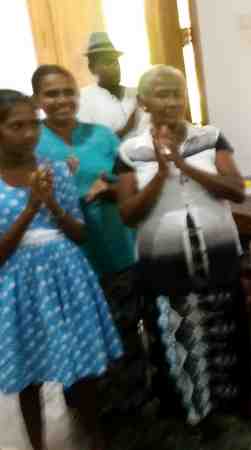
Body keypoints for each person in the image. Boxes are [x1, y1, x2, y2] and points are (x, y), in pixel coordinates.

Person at [115, 65, 251, 425]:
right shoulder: (130, 150)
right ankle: (193, 411)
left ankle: (240, 404)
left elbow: (237, 190)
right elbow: (128, 214)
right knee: (176, 332)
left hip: (218, 252)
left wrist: (183, 164)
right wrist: (161, 175)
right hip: (162, 261)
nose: (170, 101)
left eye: (176, 93)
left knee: (228, 329)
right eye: (161, 94)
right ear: (144, 102)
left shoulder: (210, 138)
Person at [0, 89, 122, 450]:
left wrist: (51, 202)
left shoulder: (54, 170)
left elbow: (80, 234)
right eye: (16, 126)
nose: (28, 134)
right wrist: (29, 209)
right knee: (29, 374)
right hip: (17, 285)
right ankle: (37, 444)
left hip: (67, 276)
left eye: (33, 124)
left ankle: (94, 437)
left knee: (84, 368)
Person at [30, 64, 144, 414]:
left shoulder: (102, 136)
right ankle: (91, 406)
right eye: (52, 94)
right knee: (81, 333)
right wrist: (76, 196)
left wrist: (109, 188)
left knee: (126, 325)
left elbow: (130, 180)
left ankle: (135, 396)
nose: (62, 100)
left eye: (68, 92)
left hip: (116, 244)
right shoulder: (32, 143)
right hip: (66, 258)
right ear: (37, 99)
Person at [78, 32, 149, 141]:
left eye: (115, 62)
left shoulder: (137, 94)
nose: (114, 67)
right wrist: (125, 129)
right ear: (92, 68)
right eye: (107, 62)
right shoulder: (83, 98)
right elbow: (91, 145)